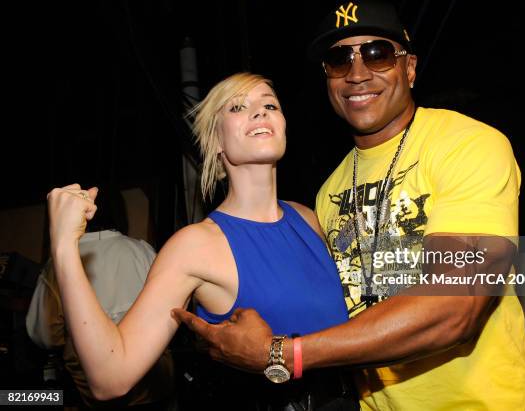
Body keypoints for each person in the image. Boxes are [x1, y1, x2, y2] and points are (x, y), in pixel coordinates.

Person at [172, 0, 525, 410]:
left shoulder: (467, 145)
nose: (358, 73)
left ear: (410, 68)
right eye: (339, 59)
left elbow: (453, 307)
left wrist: (282, 354)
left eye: (378, 54)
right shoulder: (328, 194)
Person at [45, 73, 357, 410]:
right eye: (238, 107)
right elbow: (110, 377)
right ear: (217, 141)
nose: (260, 112)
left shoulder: (307, 218)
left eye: (270, 104)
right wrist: (64, 247)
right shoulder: (196, 245)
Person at [27, 187, 175, 410]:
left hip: (92, 396)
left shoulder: (59, 263)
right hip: (153, 392)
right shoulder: (143, 251)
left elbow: (44, 334)